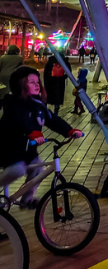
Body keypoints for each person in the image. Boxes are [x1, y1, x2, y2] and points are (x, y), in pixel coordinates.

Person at [0, 66, 83, 208]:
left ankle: (27, 199)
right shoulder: (11, 102)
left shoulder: (38, 105)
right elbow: (18, 120)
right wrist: (29, 133)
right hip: (10, 149)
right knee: (18, 170)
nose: (37, 85)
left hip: (28, 151)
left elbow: (52, 120)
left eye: (38, 82)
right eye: (32, 82)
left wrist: (69, 131)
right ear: (20, 84)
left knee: (38, 170)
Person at [43, 49, 72, 115]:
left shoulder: (51, 61)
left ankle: (44, 110)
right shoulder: (65, 61)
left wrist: (47, 80)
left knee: (48, 96)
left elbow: (46, 72)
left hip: (50, 82)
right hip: (60, 82)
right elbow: (69, 72)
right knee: (58, 97)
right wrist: (63, 78)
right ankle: (56, 112)